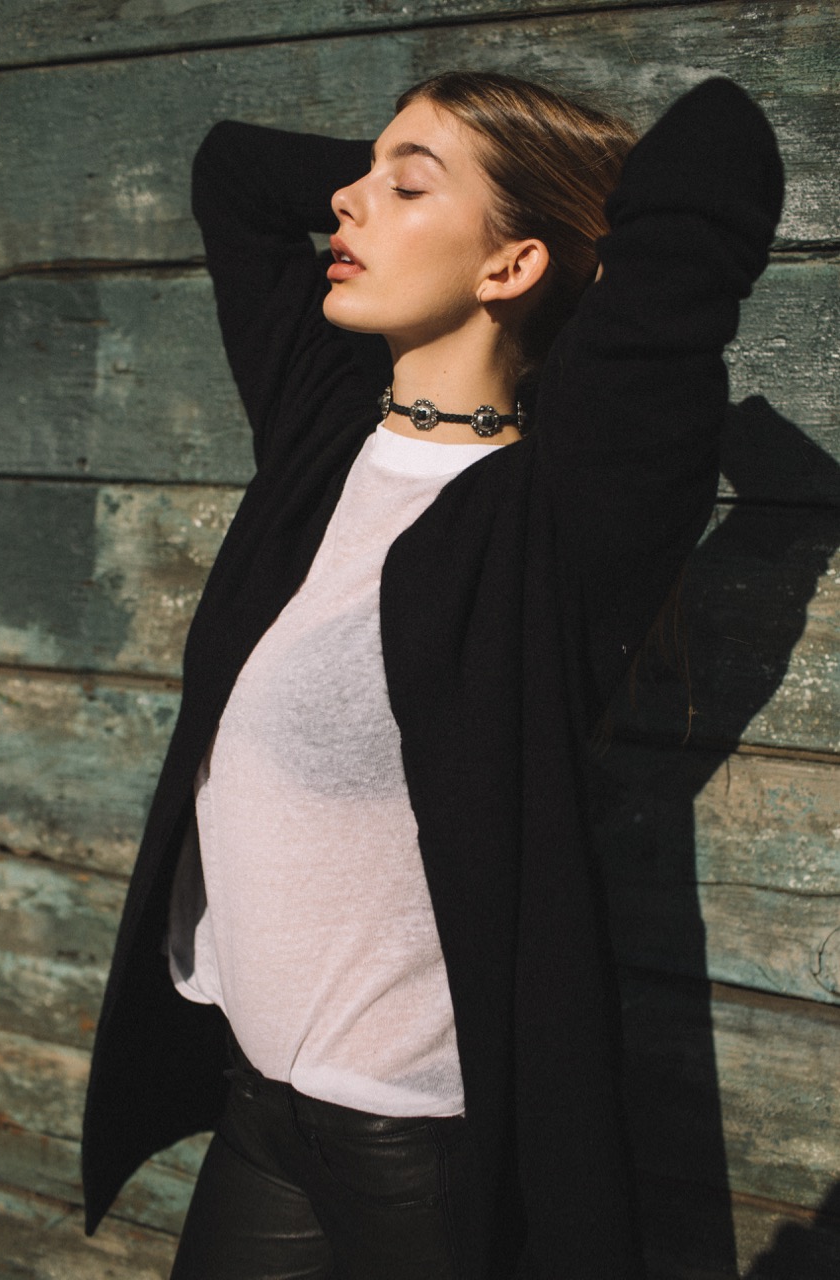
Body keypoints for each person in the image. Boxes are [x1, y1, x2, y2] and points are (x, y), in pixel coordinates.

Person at [81, 69, 783, 1279]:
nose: (346, 202)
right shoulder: (320, 433)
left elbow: (718, 137)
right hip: (262, 1098)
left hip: (411, 1142)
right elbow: (234, 172)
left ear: (512, 264)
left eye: (405, 186)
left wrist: (552, 203)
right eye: (361, 174)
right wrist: (417, 184)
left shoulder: (558, 514)